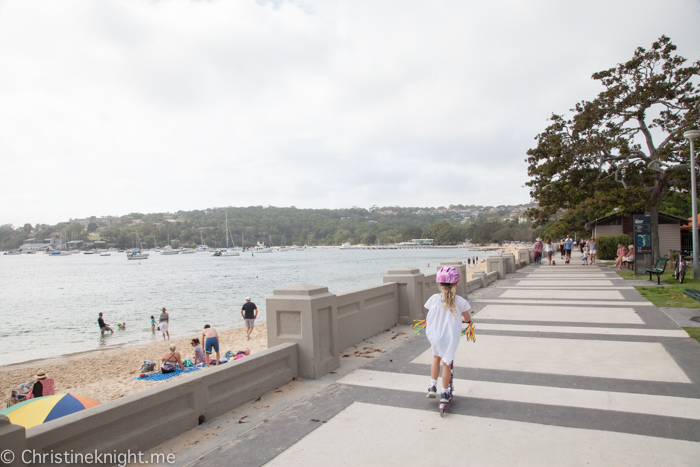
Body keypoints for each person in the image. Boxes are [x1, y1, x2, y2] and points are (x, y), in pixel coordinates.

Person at [424, 266, 472, 406]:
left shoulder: (434, 299)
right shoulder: (460, 301)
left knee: (435, 357)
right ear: (456, 283)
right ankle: (444, 392)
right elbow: (467, 318)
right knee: (446, 364)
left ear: (439, 284)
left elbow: (430, 312)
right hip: (449, 337)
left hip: (435, 335)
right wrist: (465, 321)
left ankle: (432, 386)